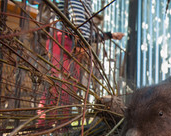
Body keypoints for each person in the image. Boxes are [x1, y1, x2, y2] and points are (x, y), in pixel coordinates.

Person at [37, 0, 124, 128]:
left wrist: (109, 35)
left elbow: (85, 33)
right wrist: (80, 42)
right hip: (65, 39)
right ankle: (44, 126)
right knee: (58, 84)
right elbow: (76, 16)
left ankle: (61, 127)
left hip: (72, 40)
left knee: (69, 86)